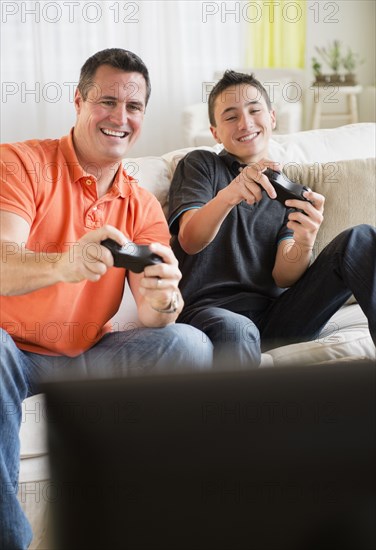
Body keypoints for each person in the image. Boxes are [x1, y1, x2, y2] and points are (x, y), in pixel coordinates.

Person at [0, 48, 212, 549]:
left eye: (133, 107)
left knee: (190, 344)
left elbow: (154, 314)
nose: (120, 118)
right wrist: (64, 264)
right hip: (12, 351)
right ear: (78, 101)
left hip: (84, 355)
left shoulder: (140, 203)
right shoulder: (23, 164)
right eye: (107, 101)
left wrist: (166, 299)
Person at [168, 70, 376, 367]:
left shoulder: (289, 192)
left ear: (272, 117)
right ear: (215, 132)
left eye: (255, 111)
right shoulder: (201, 165)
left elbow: (284, 276)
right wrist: (232, 192)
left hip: (278, 317)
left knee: (362, 238)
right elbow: (190, 239)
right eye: (230, 116)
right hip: (212, 313)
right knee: (238, 328)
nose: (245, 123)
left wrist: (304, 242)